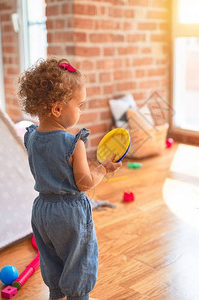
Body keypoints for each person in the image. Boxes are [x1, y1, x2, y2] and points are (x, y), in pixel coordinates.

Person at [18, 57, 122, 300]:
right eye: (80, 105)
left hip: (42, 210)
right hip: (69, 212)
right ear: (57, 108)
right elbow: (84, 183)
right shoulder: (72, 144)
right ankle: (78, 297)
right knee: (79, 259)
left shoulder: (31, 138)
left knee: (51, 256)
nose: (81, 110)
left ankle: (55, 293)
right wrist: (103, 169)